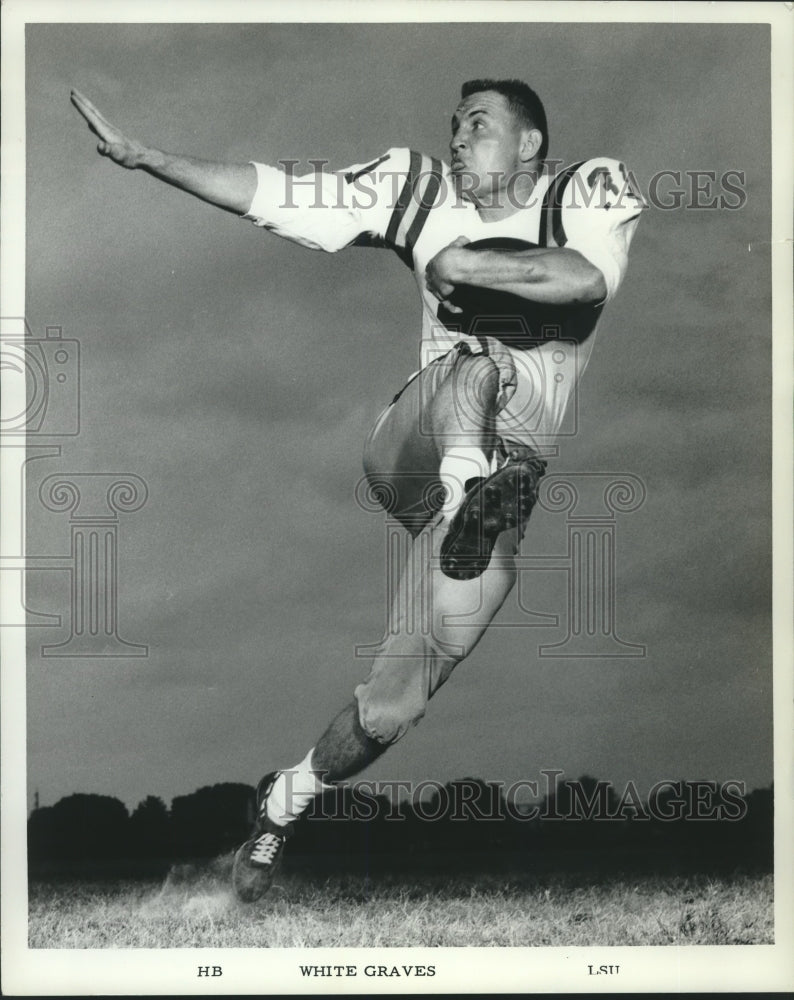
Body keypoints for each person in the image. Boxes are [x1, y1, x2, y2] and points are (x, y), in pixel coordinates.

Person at [71, 79, 643, 902]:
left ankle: (282, 803)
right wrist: (154, 160)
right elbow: (280, 194)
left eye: (477, 123)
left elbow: (587, 280)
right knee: (478, 366)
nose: (454, 136)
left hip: (510, 469)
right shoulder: (417, 191)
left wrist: (461, 266)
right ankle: (465, 494)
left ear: (530, 143)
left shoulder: (588, 187)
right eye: (451, 123)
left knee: (391, 709)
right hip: (417, 447)